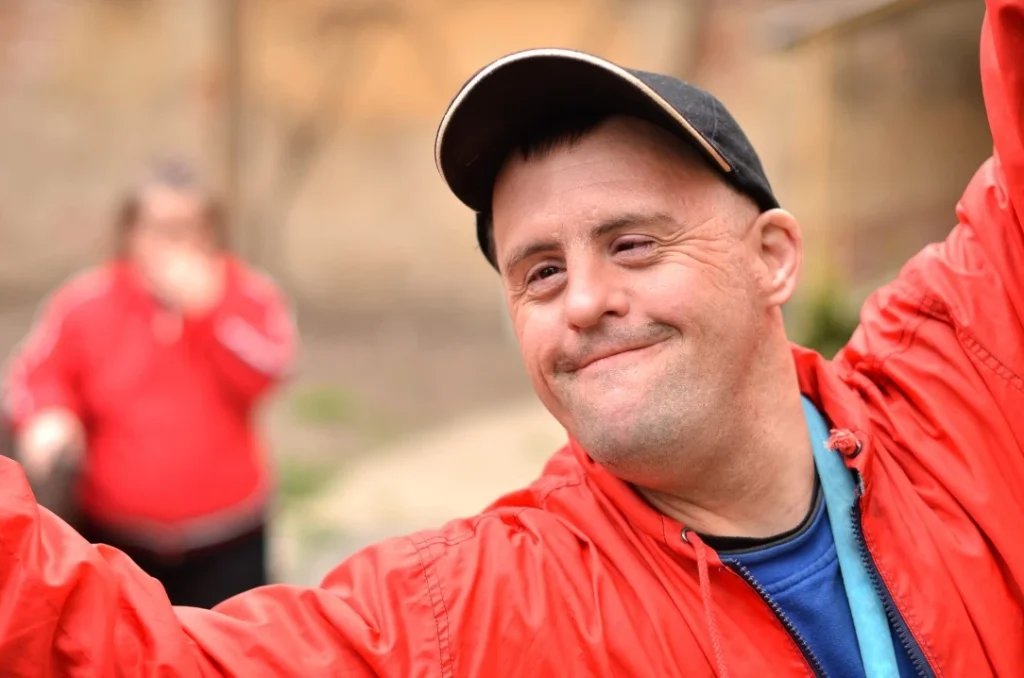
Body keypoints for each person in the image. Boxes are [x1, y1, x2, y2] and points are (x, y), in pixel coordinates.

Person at [0, 1, 1020, 674]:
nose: (582, 300)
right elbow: (131, 658)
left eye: (631, 242)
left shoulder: (957, 387)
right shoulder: (484, 612)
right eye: (539, 271)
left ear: (774, 256)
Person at [1, 160, 296, 610]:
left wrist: (209, 312)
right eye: (158, 227)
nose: (171, 243)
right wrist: (48, 414)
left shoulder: (248, 294)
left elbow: (270, 372)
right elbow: (33, 373)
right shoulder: (87, 300)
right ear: (130, 231)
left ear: (211, 232)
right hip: (117, 542)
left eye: (187, 227)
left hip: (227, 538)